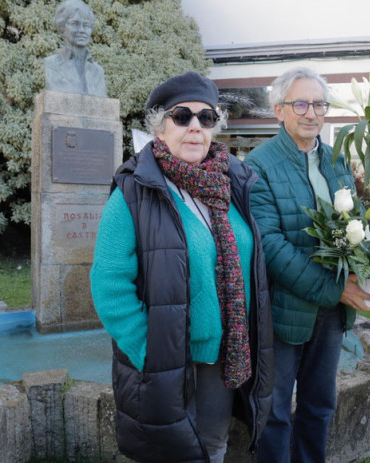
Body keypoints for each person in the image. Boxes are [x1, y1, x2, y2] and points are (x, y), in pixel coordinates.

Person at [90, 71, 273, 463]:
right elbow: (109, 285)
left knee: (212, 446)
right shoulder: (133, 192)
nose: (195, 127)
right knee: (168, 456)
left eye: (206, 118)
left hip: (223, 354)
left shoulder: (231, 184)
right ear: (160, 127)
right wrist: (150, 354)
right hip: (164, 361)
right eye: (182, 116)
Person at [244, 67, 370, 463]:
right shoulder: (258, 165)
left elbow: (352, 229)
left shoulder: (336, 161)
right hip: (285, 312)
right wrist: (336, 288)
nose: (311, 113)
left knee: (319, 405)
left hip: (331, 313)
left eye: (319, 104)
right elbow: (269, 245)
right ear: (279, 110)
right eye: (300, 103)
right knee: (274, 412)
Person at [44, 0, 107, 97]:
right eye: (74, 23)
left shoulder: (98, 72)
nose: (81, 30)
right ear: (62, 28)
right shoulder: (51, 64)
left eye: (86, 25)